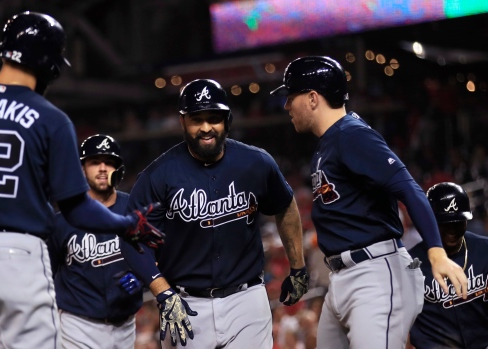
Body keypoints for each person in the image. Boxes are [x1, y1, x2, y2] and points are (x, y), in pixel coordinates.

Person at [0, 12, 162, 349]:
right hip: (14, 257)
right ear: (50, 64)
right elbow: (78, 209)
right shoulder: (50, 118)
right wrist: (125, 224)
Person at [270, 55, 468, 349]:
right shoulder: (329, 143)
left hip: (375, 274)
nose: (286, 105)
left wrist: (436, 252)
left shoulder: (352, 135)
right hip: (342, 278)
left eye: (291, 96)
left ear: (313, 98)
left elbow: (409, 189)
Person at [120, 78, 309, 348]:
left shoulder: (256, 162)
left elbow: (285, 206)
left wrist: (298, 267)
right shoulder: (158, 175)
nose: (206, 127)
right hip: (185, 304)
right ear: (183, 121)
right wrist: (162, 292)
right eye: (197, 119)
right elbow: (131, 238)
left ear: (227, 120)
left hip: (247, 301)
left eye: (214, 118)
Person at [47, 134, 144, 349]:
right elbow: (47, 275)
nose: (102, 168)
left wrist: (142, 277)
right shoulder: (62, 221)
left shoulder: (135, 209)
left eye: (109, 162)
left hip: (126, 324)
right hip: (77, 326)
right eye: (94, 162)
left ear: (118, 169)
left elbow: (158, 255)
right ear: (82, 169)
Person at [409, 182, 488, 349]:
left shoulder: (485, 250)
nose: (452, 229)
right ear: (429, 221)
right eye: (444, 224)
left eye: (458, 222)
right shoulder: (409, 264)